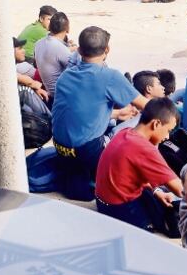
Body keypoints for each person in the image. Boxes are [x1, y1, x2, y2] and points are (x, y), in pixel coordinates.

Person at [50, 26, 148, 202]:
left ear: (79, 51)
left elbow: (80, 111)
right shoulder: (110, 76)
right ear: (107, 50)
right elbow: (147, 106)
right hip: (87, 151)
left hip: (60, 147)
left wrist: (116, 114)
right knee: (140, 119)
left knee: (115, 119)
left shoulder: (66, 76)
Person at [95, 97, 183, 237]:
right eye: (168, 130)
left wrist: (156, 192)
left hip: (102, 202)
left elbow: (132, 175)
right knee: (174, 214)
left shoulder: (125, 133)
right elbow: (180, 189)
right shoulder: (144, 148)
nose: (167, 137)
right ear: (156, 124)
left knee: (160, 191)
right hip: (119, 209)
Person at [33, 12, 76, 99]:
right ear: (67, 29)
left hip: (48, 90)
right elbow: (77, 70)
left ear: (49, 27)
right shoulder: (60, 48)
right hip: (60, 95)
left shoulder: (38, 43)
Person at [111, 71, 167, 135]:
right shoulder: (135, 117)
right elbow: (115, 132)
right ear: (149, 89)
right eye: (159, 84)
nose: (163, 87)